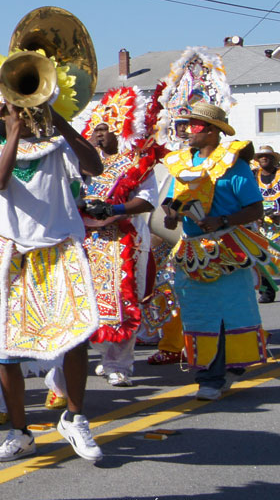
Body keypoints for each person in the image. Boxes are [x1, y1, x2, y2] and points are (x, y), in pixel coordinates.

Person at [0, 52, 105, 464]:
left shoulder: (57, 142)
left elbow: (95, 165)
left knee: (76, 336)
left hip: (60, 250)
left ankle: (74, 416)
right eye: (14, 103)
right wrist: (13, 133)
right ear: (0, 106)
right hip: (11, 253)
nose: (22, 109)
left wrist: (60, 122)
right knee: (2, 350)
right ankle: (20, 432)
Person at [161, 101, 271, 400]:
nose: (187, 131)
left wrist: (221, 220)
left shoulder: (234, 165)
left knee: (228, 312)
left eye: (194, 126)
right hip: (192, 250)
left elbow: (255, 209)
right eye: (185, 125)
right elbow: (173, 201)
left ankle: (215, 374)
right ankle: (217, 369)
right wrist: (172, 215)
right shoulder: (182, 163)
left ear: (212, 131)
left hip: (228, 247)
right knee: (198, 313)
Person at [80, 98, 159, 387]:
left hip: (124, 240)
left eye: (105, 129)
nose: (99, 135)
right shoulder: (85, 163)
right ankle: (103, 352)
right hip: (87, 239)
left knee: (123, 301)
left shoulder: (136, 161)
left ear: (121, 130)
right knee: (88, 299)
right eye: (96, 129)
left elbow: (148, 200)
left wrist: (115, 210)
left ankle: (119, 364)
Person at [253, 145, 280, 303]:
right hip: (261, 225)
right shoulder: (253, 177)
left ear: (273, 159)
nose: (264, 158)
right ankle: (267, 292)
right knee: (260, 259)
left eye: (267, 156)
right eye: (261, 156)